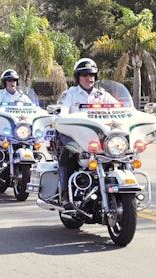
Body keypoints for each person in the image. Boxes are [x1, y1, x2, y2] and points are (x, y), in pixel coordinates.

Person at [56, 58, 118, 207]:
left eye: (91, 75)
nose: (89, 78)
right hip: (75, 137)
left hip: (100, 138)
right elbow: (61, 112)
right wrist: (62, 116)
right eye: (84, 75)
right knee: (69, 152)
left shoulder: (103, 95)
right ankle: (65, 193)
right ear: (78, 77)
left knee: (120, 154)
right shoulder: (70, 94)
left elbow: (120, 109)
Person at [0, 69, 32, 175]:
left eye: (14, 80)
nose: (12, 82)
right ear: (4, 82)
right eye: (9, 80)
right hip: (1, 127)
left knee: (33, 141)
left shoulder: (23, 97)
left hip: (19, 129)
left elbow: (33, 109)